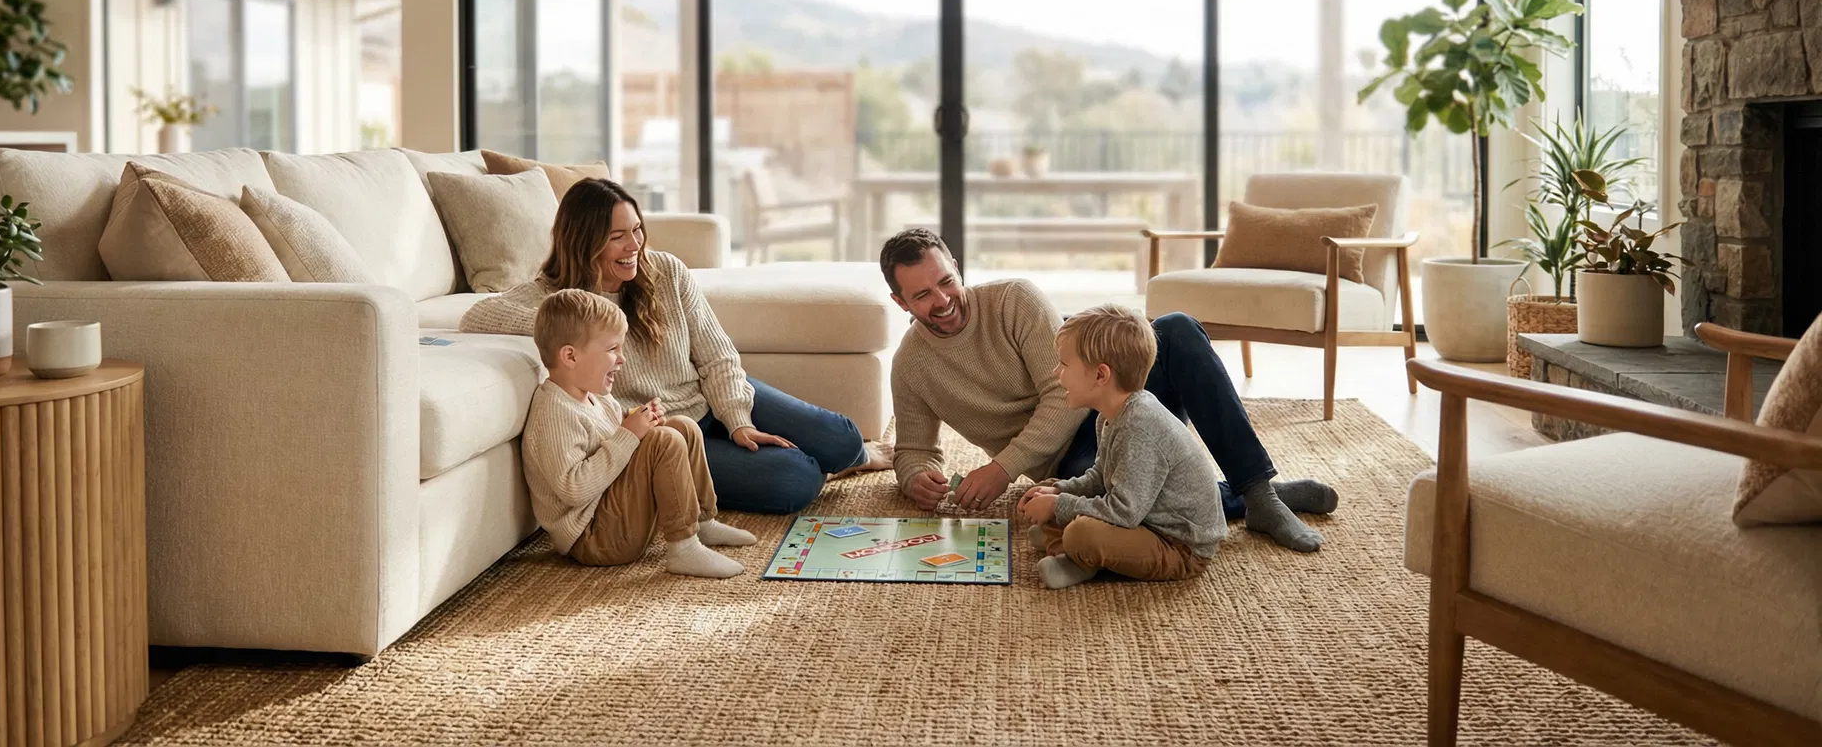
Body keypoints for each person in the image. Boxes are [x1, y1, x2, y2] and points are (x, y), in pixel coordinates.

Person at [881, 228, 1337, 552]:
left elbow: (1062, 394)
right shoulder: (911, 366)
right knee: (1121, 504)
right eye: (922, 296)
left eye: (945, 281)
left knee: (1176, 331)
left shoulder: (1013, 299)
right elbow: (913, 449)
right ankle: (1245, 500)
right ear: (901, 302)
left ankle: (1259, 492)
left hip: (1108, 400)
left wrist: (1003, 468)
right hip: (1072, 460)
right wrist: (917, 477)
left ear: (957, 268)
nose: (942, 301)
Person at [464, 177, 881, 514]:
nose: (634, 246)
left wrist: (738, 420)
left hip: (709, 398)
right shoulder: (555, 300)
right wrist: (571, 321)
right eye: (617, 237)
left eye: (637, 230)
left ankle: (842, 458)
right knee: (796, 481)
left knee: (844, 439)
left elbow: (716, 354)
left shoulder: (666, 271)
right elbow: (476, 316)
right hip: (665, 434)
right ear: (583, 242)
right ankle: (822, 469)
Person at [521, 288, 752, 578]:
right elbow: (574, 489)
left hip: (612, 513)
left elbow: (609, 439)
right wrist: (630, 435)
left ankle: (701, 522)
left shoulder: (597, 396)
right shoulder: (555, 412)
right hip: (593, 537)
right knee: (662, 440)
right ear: (570, 356)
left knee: (682, 426)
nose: (622, 358)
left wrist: (638, 422)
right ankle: (684, 548)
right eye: (612, 349)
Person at [1017, 304, 1226, 589]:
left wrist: (1058, 508)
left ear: (1101, 375)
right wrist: (1058, 492)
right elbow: (1100, 477)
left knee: (1081, 533)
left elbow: (1124, 512)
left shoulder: (1138, 427)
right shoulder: (1109, 415)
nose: (1056, 373)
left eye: (1064, 364)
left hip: (1179, 546)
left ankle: (1075, 555)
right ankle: (1067, 542)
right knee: (1054, 485)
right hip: (1146, 518)